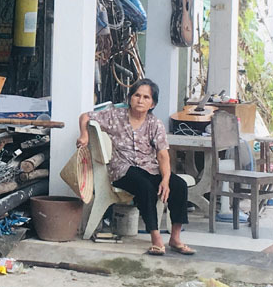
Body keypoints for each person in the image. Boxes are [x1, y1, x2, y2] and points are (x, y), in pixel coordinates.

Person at [77, 78, 195, 256]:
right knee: (144, 186)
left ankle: (175, 238)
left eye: (146, 97)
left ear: (152, 104)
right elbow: (85, 116)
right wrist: (84, 135)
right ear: (130, 98)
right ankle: (156, 237)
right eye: (137, 95)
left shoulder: (155, 124)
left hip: (149, 168)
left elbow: (163, 155)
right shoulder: (116, 116)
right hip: (123, 170)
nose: (140, 100)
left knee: (179, 185)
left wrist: (165, 179)